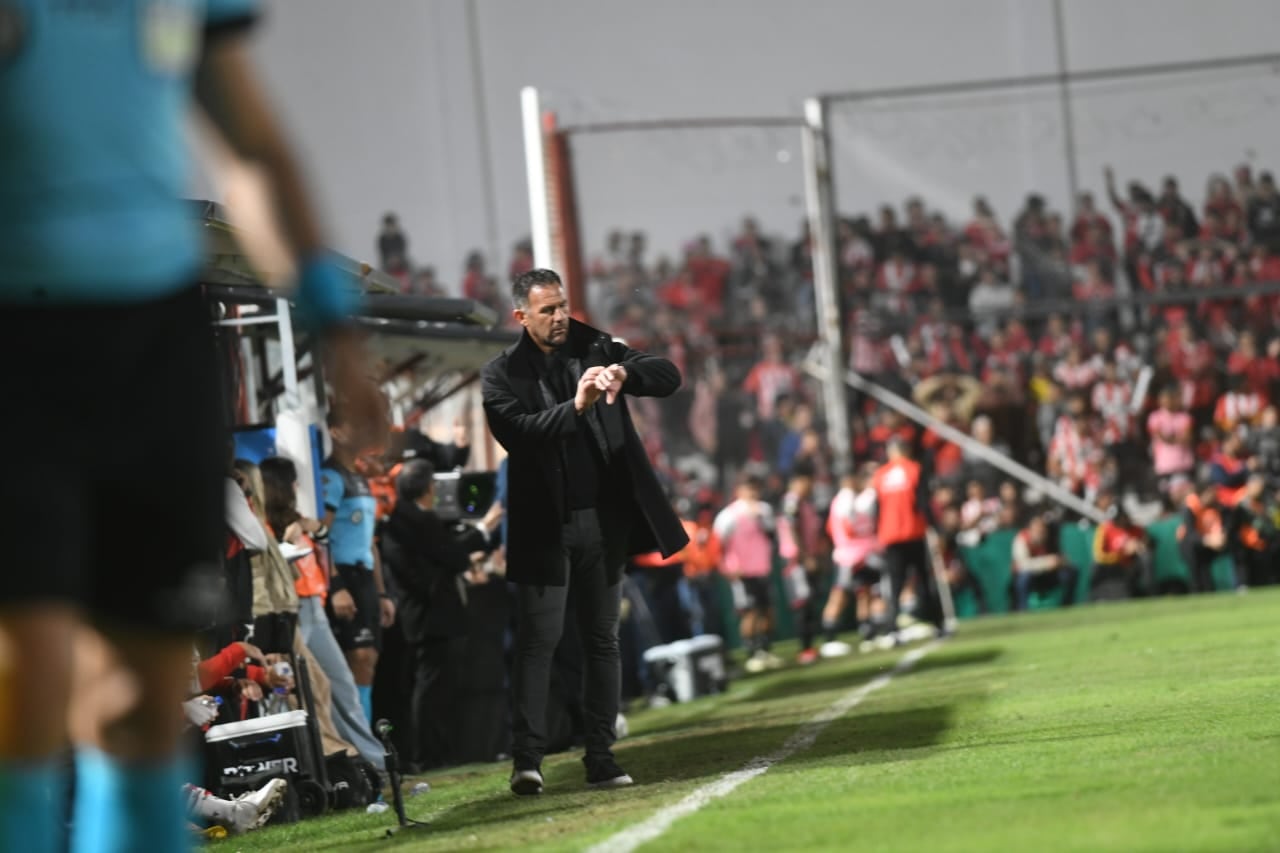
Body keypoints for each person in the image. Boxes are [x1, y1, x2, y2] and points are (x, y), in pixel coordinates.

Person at [0, 3, 385, 851]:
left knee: (138, 704)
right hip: (19, 340)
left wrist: (333, 317)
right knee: (23, 688)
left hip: (157, 337)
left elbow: (246, 145)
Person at [481, 268, 687, 796]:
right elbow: (521, 436)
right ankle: (527, 761)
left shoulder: (596, 344)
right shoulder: (500, 375)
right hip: (542, 527)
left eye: (562, 306)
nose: (558, 318)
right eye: (547, 310)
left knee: (602, 640)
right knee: (538, 643)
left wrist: (626, 375)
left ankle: (601, 756)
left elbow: (667, 375)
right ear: (521, 316)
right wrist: (576, 407)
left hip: (603, 522)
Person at [259, 456, 385, 770]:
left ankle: (373, 763)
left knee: (340, 684)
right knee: (310, 690)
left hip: (316, 604)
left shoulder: (295, 517)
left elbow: (323, 540)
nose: (296, 487)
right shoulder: (264, 523)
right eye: (291, 481)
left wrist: (310, 528)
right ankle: (337, 763)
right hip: (293, 611)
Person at [380, 460, 488, 772]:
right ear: (429, 489)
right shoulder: (414, 523)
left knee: (437, 688)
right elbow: (449, 557)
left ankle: (437, 753)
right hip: (432, 618)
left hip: (430, 618)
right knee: (431, 689)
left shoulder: (406, 522)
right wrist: (481, 531)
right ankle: (428, 755)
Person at [322, 409, 397, 724]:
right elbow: (319, 537)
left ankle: (367, 742)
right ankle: (356, 746)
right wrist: (336, 586)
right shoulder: (331, 477)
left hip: (365, 578)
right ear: (337, 432)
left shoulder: (362, 479)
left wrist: (381, 593)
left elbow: (369, 542)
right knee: (356, 659)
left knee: (369, 662)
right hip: (343, 575)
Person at [873, 438, 944, 638]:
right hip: (913, 531)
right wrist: (935, 528)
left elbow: (877, 508)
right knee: (923, 579)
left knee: (895, 584)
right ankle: (936, 622)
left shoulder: (880, 475)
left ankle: (892, 627)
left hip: (891, 535)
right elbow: (923, 502)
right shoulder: (914, 469)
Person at [714, 476, 782, 673]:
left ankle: (765, 649)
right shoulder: (728, 516)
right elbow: (718, 545)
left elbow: (771, 535)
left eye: (755, 489)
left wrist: (759, 518)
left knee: (768, 610)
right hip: (742, 572)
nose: (752, 494)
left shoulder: (764, 510)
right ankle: (752, 653)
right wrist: (726, 568)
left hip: (762, 569)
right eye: (748, 489)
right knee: (750, 612)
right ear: (739, 491)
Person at [819, 468, 884, 657]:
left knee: (866, 593)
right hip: (848, 557)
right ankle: (829, 639)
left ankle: (869, 633)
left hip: (861, 555)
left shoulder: (852, 500)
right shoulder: (844, 500)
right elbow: (850, 528)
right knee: (839, 595)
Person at [1010, 515, 1080, 610]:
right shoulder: (1022, 539)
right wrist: (1047, 562)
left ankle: (1067, 606)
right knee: (1024, 578)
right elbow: (1022, 565)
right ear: (1030, 529)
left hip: (1047, 576)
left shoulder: (1050, 539)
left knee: (1069, 572)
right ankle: (1022, 610)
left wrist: (1060, 561)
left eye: (1042, 529)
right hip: (1031, 578)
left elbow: (1060, 558)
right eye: (1037, 528)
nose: (1040, 531)